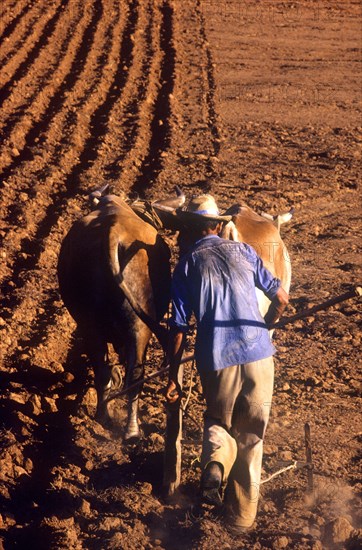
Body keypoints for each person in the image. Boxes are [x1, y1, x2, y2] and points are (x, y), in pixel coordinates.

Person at [165, 194, 289, 533]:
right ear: (219, 225)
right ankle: (240, 522)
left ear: (187, 231)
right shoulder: (245, 251)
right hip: (260, 355)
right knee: (251, 437)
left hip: (217, 358)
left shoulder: (187, 264)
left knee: (219, 421)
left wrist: (174, 375)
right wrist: (269, 328)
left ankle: (215, 466)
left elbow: (178, 327)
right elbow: (280, 297)